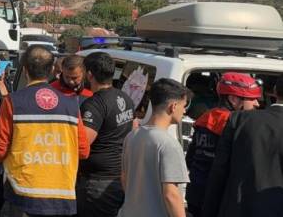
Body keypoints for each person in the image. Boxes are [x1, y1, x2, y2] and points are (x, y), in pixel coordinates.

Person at [0, 45, 90, 217]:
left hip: (22, 196)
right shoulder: (71, 105)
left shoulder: (12, 102)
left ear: (25, 70)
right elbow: (83, 151)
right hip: (61, 197)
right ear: (53, 69)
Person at [200, 75, 283, 217]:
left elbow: (219, 172)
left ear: (275, 90)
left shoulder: (239, 119)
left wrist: (208, 212)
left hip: (237, 209)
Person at [184, 72, 261, 216]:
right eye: (252, 99)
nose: (257, 103)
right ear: (233, 99)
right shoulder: (236, 126)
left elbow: (190, 159)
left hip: (195, 194)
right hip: (220, 199)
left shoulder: (205, 119)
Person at [118, 79, 191, 217]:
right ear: (173, 106)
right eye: (184, 105)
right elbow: (171, 194)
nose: (185, 111)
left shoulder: (133, 135)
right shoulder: (169, 144)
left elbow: (124, 178)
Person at [77, 52, 134, 217]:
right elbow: (133, 128)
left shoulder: (94, 104)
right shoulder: (125, 97)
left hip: (97, 183)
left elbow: (84, 143)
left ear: (89, 74)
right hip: (119, 177)